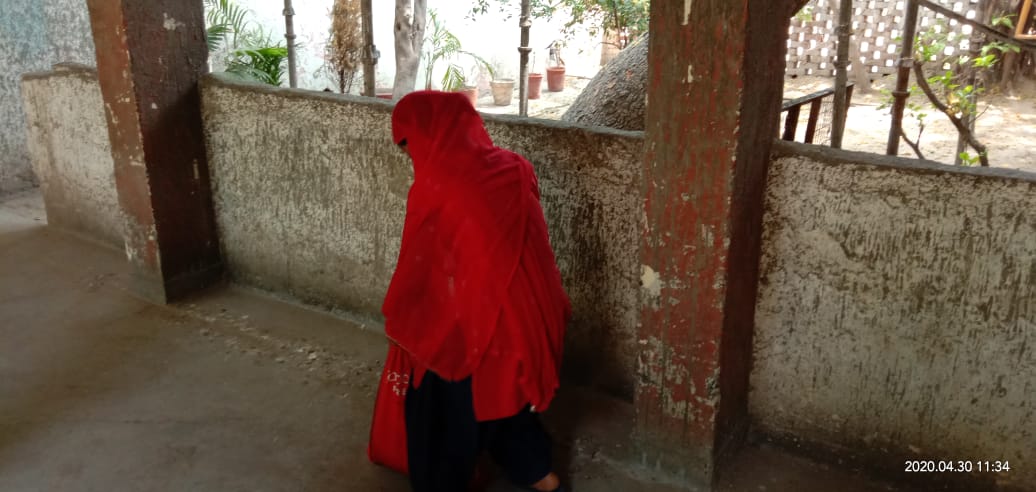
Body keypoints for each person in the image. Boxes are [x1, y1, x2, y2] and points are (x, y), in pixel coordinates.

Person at [383, 91, 571, 492]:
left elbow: (422, 278)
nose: (410, 155)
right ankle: (542, 476)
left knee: (439, 394)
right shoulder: (515, 167)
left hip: (492, 334)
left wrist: (409, 323)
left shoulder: (437, 188)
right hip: (538, 323)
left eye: (409, 143)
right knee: (506, 397)